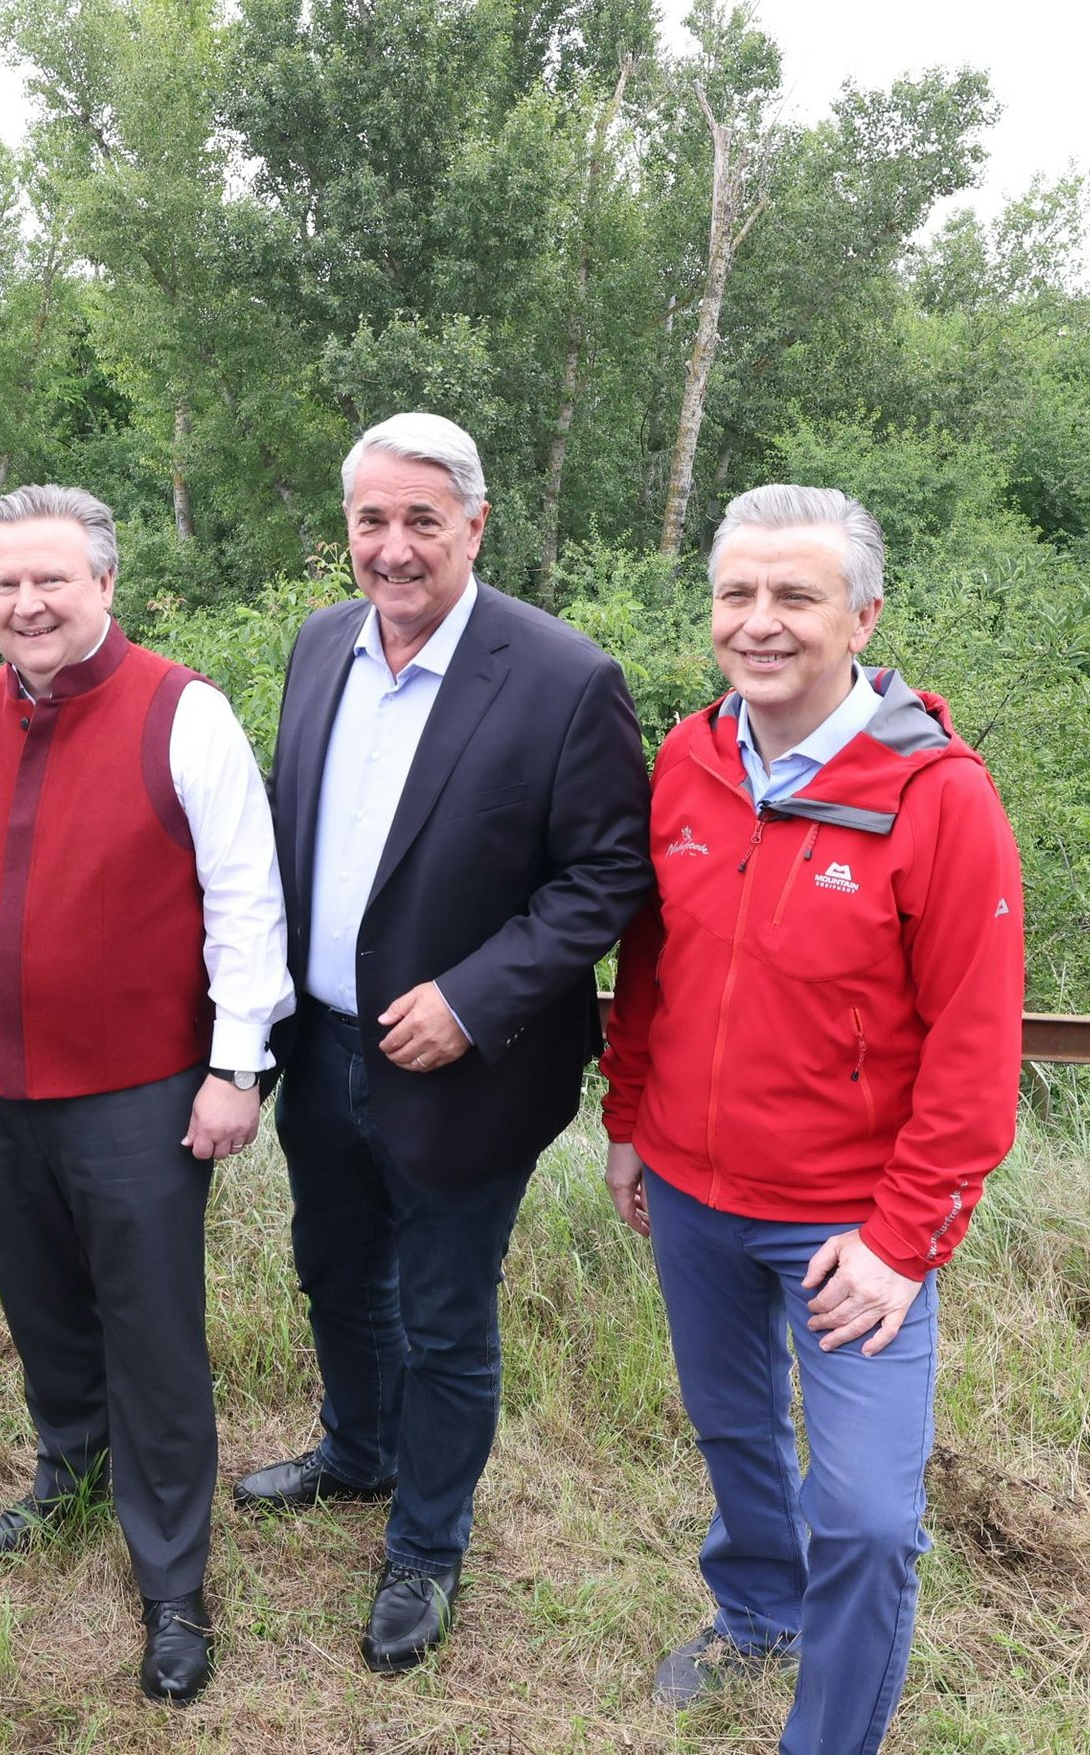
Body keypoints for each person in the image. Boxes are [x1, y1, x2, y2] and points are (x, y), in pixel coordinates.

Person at [598, 484, 1025, 1755]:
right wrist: (632, 1117)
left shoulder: (937, 797)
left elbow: (974, 1048)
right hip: (693, 1191)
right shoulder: (688, 759)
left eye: (796, 597)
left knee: (870, 1517)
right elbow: (651, 960)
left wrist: (904, 1241)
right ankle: (756, 1610)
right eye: (738, 595)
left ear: (864, 617)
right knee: (731, 1430)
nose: (760, 624)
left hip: (850, 1225)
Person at [0, 484, 291, 1706]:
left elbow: (248, 902)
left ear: (103, 584)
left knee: (152, 1329)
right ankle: (71, 1473)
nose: (27, 603)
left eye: (51, 579)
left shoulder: (184, 712)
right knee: (41, 1302)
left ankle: (172, 1574)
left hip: (141, 1088)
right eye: (5, 584)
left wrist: (236, 1067)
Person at [233, 413, 652, 1673]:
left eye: (423, 519)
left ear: (475, 524)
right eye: (372, 519)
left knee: (445, 1314)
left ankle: (426, 1544)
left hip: (468, 1067)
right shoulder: (321, 644)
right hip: (322, 1047)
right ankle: (358, 1451)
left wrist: (472, 998)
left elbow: (606, 875)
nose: (395, 545)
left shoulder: (565, 676)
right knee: (333, 1269)